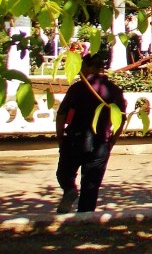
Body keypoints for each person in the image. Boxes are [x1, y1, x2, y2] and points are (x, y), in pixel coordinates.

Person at [55, 53, 127, 214]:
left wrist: (60, 138)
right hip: (100, 143)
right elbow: (122, 119)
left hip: (74, 140)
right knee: (91, 186)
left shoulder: (78, 88)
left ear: (88, 67)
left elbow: (61, 114)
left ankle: (69, 190)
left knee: (64, 174)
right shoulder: (114, 90)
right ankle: (85, 219)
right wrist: (112, 141)